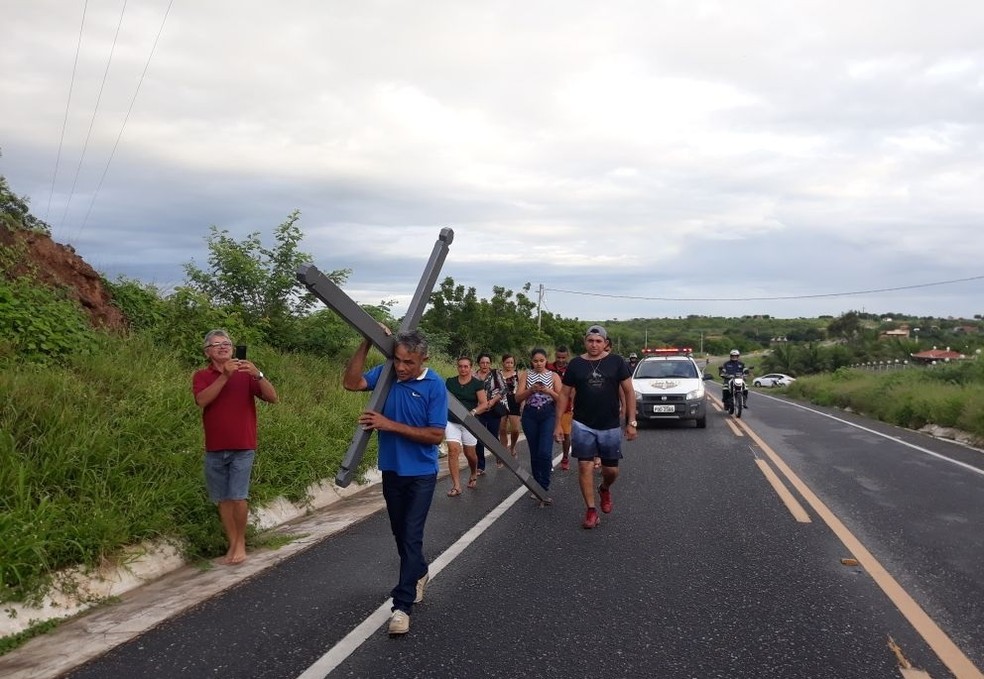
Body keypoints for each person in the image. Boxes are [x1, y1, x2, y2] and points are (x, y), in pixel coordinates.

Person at [343, 327, 447, 636]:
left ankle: (402, 606)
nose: (401, 367)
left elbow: (435, 435)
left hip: (421, 475)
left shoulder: (434, 385)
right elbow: (351, 383)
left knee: (412, 534)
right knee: (401, 535)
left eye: (409, 363)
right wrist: (365, 342)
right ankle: (420, 571)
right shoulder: (386, 373)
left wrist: (388, 424)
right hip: (391, 470)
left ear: (422, 359)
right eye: (398, 360)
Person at [192, 329, 278, 565]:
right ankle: (233, 542)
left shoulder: (245, 374)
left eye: (227, 343)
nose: (223, 347)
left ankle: (240, 543)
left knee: (238, 496)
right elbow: (202, 400)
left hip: (243, 445)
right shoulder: (202, 375)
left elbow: (273, 398)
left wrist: (258, 374)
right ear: (207, 352)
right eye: (217, 344)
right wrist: (224, 377)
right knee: (223, 499)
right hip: (215, 447)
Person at [555, 325, 636, 529]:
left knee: (611, 470)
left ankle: (605, 488)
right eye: (590, 341)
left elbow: (629, 392)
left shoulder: (616, 362)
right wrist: (557, 424)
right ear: (585, 342)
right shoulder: (575, 364)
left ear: (605, 343)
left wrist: (631, 422)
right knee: (584, 465)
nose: (594, 344)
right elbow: (564, 394)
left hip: (609, 424)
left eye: (598, 341)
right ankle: (591, 511)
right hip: (582, 423)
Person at [516, 347, 561, 503]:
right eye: (535, 361)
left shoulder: (553, 375)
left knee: (545, 452)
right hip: (530, 415)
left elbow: (561, 398)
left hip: (548, 414)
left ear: (546, 361)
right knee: (534, 452)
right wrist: (531, 390)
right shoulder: (526, 375)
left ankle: (544, 485)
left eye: (541, 360)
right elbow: (517, 398)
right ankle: (537, 486)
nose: (539, 363)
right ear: (531, 361)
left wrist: (548, 391)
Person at [444, 356, 488, 496]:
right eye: (460, 366)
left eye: (466, 366)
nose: (463, 369)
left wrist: (473, 412)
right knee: (453, 450)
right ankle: (456, 486)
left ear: (471, 367)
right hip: (451, 421)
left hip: (469, 422)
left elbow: (484, 403)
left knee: (470, 454)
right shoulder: (450, 382)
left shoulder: (477, 384)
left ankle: (474, 472)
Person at [473, 353, 507, 471]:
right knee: (479, 437)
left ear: (490, 363)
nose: (485, 365)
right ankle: (480, 466)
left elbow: (504, 389)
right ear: (479, 363)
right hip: (479, 410)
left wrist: (493, 401)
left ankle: (499, 456)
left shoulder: (495, 373)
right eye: (482, 362)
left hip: (493, 409)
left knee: (493, 436)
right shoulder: (474, 375)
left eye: (487, 362)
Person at [547, 346, 573, 470]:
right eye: (558, 357)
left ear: (567, 356)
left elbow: (574, 388)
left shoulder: (571, 369)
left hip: (566, 407)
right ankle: (548, 460)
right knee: (548, 433)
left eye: (563, 357)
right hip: (549, 405)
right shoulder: (548, 367)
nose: (561, 360)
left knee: (566, 435)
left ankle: (565, 458)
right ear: (555, 356)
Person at [498, 354, 521, 457]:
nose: (509, 364)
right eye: (507, 362)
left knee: (515, 429)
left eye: (511, 363)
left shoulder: (518, 374)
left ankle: (512, 446)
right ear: (503, 363)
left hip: (514, 401)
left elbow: (521, 389)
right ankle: (503, 450)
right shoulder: (497, 374)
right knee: (502, 428)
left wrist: (522, 402)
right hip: (500, 401)